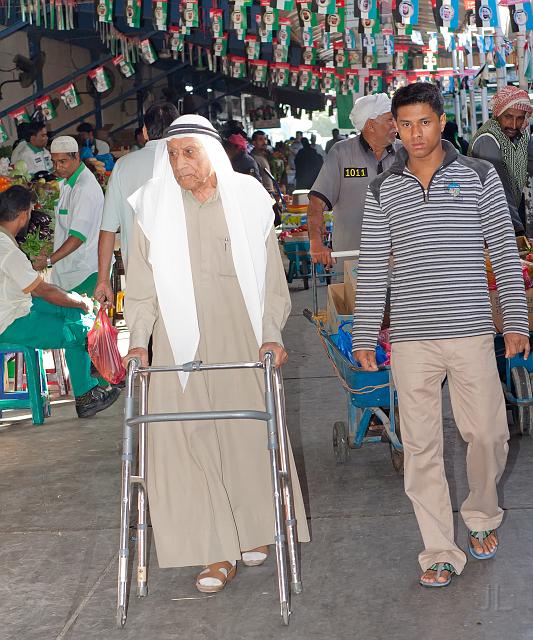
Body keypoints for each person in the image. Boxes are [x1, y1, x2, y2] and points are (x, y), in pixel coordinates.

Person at [352, 82, 529, 588]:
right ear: (395, 127)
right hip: (411, 339)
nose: (414, 133)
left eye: (423, 122)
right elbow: (372, 269)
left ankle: (480, 514)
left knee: (489, 435)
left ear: (442, 122)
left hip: (472, 331)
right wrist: (366, 332)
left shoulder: (478, 177)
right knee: (422, 445)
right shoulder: (383, 188)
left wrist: (515, 321)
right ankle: (438, 549)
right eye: (404, 125)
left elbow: (503, 251)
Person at [123, 114, 309, 593]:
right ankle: (214, 550)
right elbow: (140, 290)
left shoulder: (248, 201)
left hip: (242, 340)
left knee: (244, 436)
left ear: (213, 153)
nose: (179, 163)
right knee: (187, 445)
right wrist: (138, 344)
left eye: (189, 152)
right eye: (172, 153)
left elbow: (272, 282)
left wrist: (272, 334)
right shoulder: (150, 208)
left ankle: (250, 528)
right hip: (175, 348)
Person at [0, 186, 120, 418]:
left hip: (18, 306)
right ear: (23, 214)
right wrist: (79, 302)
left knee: (75, 315)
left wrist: (75, 302)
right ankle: (86, 397)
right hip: (10, 320)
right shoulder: (7, 249)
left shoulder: (5, 241)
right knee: (77, 330)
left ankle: (91, 381)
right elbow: (43, 290)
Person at [94, 103, 179, 308]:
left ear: (144, 131)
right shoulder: (185, 163)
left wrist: (103, 279)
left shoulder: (123, 166)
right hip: (181, 272)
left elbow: (107, 229)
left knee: (143, 335)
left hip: (138, 274)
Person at [308, 93, 400, 266]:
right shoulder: (341, 154)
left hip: (401, 264)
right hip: (353, 262)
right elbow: (316, 204)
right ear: (371, 125)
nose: (396, 125)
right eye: (389, 119)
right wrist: (316, 243)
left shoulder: (406, 153)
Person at [32, 136, 103, 297]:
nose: (57, 167)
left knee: (81, 320)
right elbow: (63, 226)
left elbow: (77, 237)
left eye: (62, 161)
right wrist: (48, 247)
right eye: (54, 161)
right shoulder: (66, 184)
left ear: (76, 157)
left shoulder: (84, 189)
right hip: (68, 268)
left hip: (83, 271)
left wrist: (49, 261)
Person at [468, 86, 533, 235]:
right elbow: (499, 190)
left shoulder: (520, 137)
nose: (514, 124)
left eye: (520, 118)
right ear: (497, 114)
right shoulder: (487, 140)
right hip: (489, 226)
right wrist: (517, 230)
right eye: (508, 117)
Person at [251, 130, 276, 196]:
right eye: (260, 139)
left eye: (265, 139)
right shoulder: (253, 158)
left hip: (270, 193)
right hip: (263, 194)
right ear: (254, 143)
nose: (264, 142)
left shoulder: (264, 155)